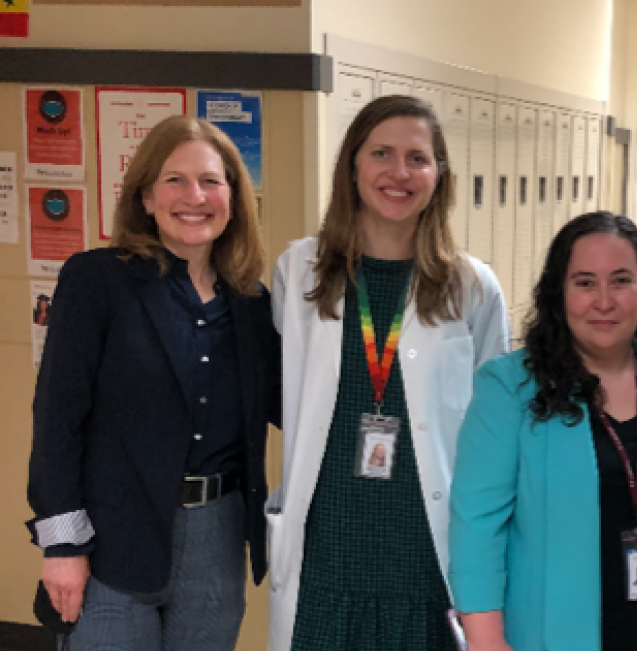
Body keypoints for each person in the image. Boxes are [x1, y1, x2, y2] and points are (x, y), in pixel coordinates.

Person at [27, 114, 280, 650]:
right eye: (175, 180)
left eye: (212, 181)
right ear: (145, 197)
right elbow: (57, 419)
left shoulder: (251, 303)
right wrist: (62, 546)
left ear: (233, 198)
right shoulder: (99, 281)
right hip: (113, 537)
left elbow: (294, 401)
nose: (195, 196)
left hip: (218, 536)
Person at [268, 95, 510, 651]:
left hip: (425, 550)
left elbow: (493, 436)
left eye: (417, 158)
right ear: (353, 166)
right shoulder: (300, 271)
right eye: (381, 153)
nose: (399, 173)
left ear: (439, 175)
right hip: (327, 545)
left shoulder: (470, 288)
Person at [449, 211, 637, 651]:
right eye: (585, 282)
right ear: (559, 293)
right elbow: (475, 526)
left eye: (621, 280)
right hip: (552, 635)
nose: (603, 301)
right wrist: (486, 641)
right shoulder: (510, 388)